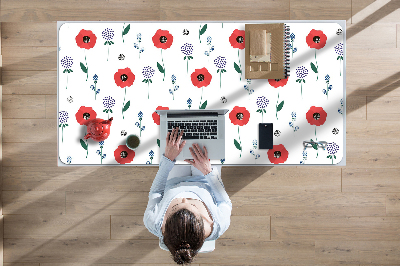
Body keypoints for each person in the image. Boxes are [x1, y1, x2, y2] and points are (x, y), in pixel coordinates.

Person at [143, 127, 232, 264]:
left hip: (173, 181)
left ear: (166, 224)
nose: (184, 198)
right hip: (205, 180)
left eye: (176, 206)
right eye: (192, 205)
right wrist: (208, 171)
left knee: (174, 141)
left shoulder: (153, 222)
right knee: (208, 136)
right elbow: (224, 202)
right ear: (203, 223)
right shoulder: (219, 224)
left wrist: (168, 159)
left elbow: (156, 192)